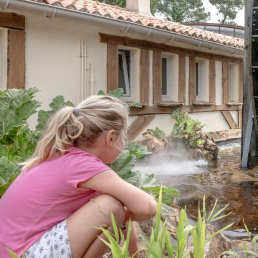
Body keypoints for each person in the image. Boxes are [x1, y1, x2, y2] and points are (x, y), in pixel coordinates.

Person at [0, 95, 158, 258]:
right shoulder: (82, 166)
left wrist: (133, 251)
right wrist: (123, 213)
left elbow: (124, 212)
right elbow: (148, 207)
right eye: (124, 135)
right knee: (110, 207)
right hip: (24, 253)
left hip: (18, 250)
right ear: (110, 138)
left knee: (114, 207)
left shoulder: (64, 156)